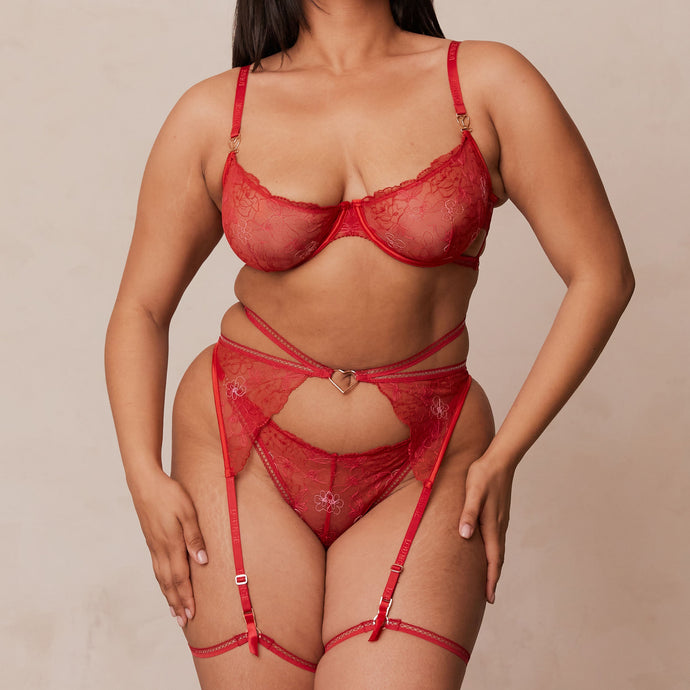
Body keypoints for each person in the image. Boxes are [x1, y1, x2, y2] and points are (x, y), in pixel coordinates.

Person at [104, 1, 635, 688]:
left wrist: (505, 455)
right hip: (241, 449)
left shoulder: (486, 84)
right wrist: (142, 474)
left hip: (429, 460)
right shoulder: (215, 113)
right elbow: (141, 308)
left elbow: (601, 275)